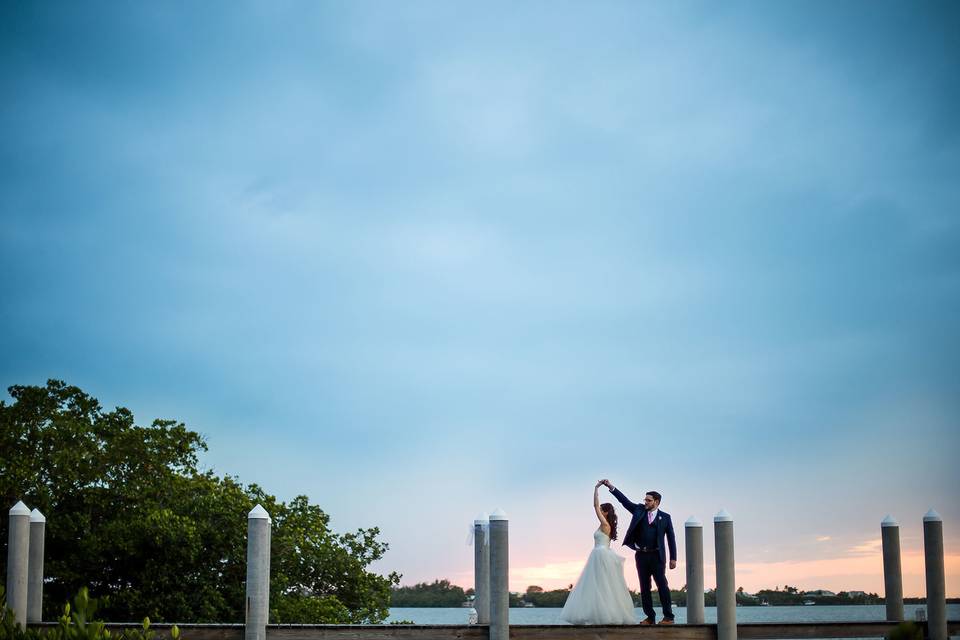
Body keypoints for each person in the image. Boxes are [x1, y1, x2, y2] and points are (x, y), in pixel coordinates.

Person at [559, 482, 637, 625]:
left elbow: (595, 506)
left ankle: (603, 615)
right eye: (600, 510)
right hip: (603, 554)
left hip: (600, 555)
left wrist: (596, 489)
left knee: (600, 585)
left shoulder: (605, 524)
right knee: (602, 586)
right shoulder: (608, 525)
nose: (599, 511)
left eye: (602, 510)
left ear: (606, 512)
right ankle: (600, 614)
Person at [601, 479, 677, 625]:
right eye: (645, 499)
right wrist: (611, 487)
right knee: (644, 587)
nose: (646, 502)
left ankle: (668, 617)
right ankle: (650, 617)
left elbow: (671, 538)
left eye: (649, 500)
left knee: (662, 585)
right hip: (641, 555)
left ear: (657, 502)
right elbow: (625, 501)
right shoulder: (639, 510)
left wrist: (673, 558)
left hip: (657, 556)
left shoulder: (665, 517)